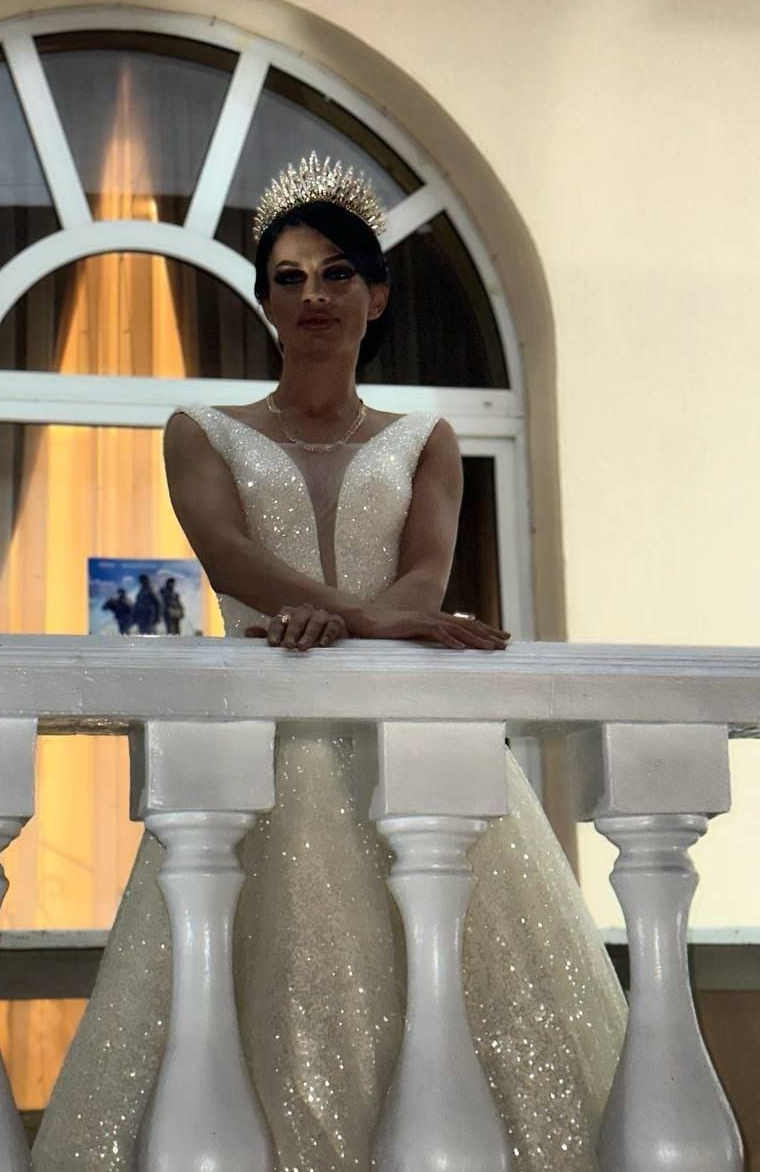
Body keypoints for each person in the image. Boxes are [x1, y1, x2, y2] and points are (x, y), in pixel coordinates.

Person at [33, 154, 626, 1172]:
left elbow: (426, 574)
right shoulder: (200, 433)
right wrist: (359, 617)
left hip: (414, 750)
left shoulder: (426, 437)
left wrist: (344, 622)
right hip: (252, 759)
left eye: (337, 273)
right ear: (266, 301)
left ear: (376, 295)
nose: (313, 293)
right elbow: (231, 559)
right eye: (290, 276)